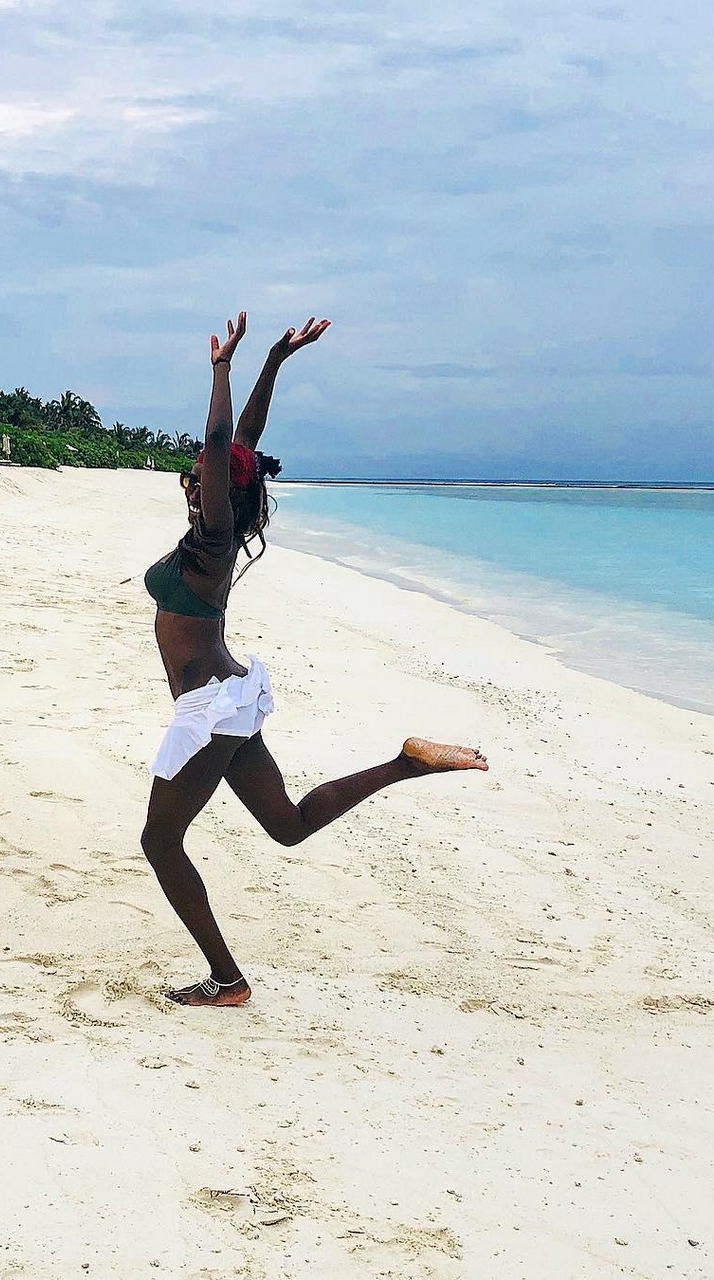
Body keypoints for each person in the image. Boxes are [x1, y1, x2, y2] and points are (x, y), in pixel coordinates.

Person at [142, 313, 488, 1007]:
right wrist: (273, 359)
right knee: (289, 827)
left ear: (216, 490)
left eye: (200, 476)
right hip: (228, 697)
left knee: (160, 843)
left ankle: (228, 980)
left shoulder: (212, 542)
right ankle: (405, 763)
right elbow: (241, 442)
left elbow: (220, 443)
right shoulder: (219, 533)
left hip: (212, 709)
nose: (193, 478)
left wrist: (220, 372)